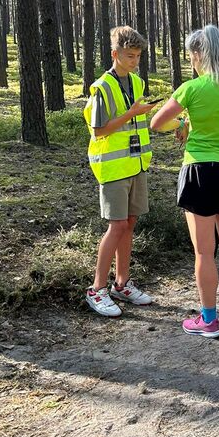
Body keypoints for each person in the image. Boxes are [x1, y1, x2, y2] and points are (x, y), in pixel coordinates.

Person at [150, 25, 219, 337]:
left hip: (199, 171)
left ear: (198, 54)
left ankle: (209, 319)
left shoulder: (192, 88)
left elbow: (157, 123)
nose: (190, 61)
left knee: (204, 251)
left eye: (190, 56)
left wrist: (185, 121)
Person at [83, 26, 159, 317]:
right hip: (113, 166)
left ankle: (122, 284)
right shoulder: (101, 87)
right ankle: (96, 289)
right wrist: (131, 114)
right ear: (114, 54)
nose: (134, 62)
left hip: (136, 163)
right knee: (116, 226)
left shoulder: (137, 83)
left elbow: (140, 122)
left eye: (138, 56)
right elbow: (99, 130)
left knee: (129, 223)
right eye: (129, 56)